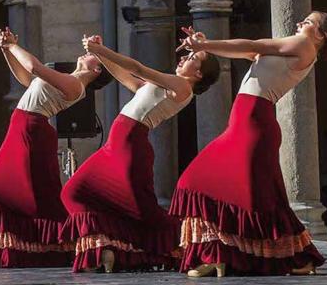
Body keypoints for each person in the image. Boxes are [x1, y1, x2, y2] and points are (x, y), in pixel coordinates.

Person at [170, 12, 327, 277]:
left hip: (253, 124)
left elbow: (253, 45)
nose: (301, 22)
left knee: (198, 183)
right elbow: (248, 53)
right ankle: (220, 253)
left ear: (321, 35)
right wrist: (207, 43)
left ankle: (231, 254)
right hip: (247, 123)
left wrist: (205, 46)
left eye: (309, 22)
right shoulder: (293, 49)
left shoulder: (303, 45)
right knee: (254, 195)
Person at [59, 34, 220, 273]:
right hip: (116, 145)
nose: (184, 57)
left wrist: (100, 50)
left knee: (144, 211)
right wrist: (101, 52)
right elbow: (130, 78)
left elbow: (137, 68)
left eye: (192, 57)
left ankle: (203, 247)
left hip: (130, 146)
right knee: (74, 191)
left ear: (198, 74)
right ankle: (106, 248)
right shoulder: (167, 85)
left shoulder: (182, 85)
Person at [0, 28, 113, 268]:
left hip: (31, 130)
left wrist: (14, 45)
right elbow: (26, 78)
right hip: (26, 128)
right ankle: (78, 247)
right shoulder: (66, 78)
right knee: (38, 195)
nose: (85, 53)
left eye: (93, 56)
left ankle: (89, 246)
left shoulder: (76, 85)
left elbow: (34, 68)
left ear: (96, 70)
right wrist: (7, 50)